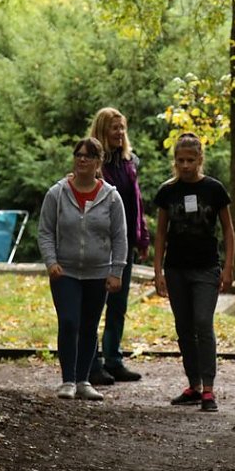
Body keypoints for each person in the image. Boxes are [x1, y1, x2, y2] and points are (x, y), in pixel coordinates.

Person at [38, 137, 128, 400]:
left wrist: (116, 271)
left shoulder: (111, 198)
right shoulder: (57, 193)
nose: (82, 160)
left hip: (98, 272)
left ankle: (83, 380)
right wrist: (51, 261)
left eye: (88, 156)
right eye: (78, 155)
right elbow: (45, 231)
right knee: (68, 321)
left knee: (89, 325)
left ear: (98, 162)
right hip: (64, 271)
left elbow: (120, 237)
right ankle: (67, 379)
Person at [153, 133, 235, 413]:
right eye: (180, 160)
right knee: (184, 327)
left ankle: (209, 388)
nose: (185, 165)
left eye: (190, 160)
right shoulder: (168, 191)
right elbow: (161, 232)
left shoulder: (214, 190)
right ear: (174, 161)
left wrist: (228, 267)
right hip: (176, 268)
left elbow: (228, 231)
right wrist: (158, 270)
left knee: (203, 322)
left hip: (206, 268)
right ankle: (194, 384)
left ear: (200, 159)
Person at [87, 108, 150, 385]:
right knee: (95, 304)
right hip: (100, 244)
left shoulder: (128, 162)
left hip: (125, 243)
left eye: (122, 128)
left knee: (118, 304)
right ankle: (92, 362)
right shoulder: (93, 164)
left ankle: (114, 359)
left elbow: (136, 202)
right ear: (103, 130)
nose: (120, 133)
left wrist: (142, 236)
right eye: (114, 128)